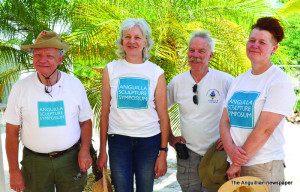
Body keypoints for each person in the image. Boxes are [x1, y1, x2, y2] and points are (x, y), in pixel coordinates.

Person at [4, 31, 94, 192]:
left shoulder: (74, 84)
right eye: (38, 54)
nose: (42, 60)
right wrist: (13, 171)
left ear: (60, 59)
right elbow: (11, 132)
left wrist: (85, 150)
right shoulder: (20, 88)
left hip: (70, 160)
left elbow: (86, 121)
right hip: (35, 163)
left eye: (49, 56)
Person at [219, 17, 297, 192]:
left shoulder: (278, 81)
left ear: (273, 49)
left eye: (262, 42)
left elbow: (265, 129)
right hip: (235, 161)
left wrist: (237, 162)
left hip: (263, 166)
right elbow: (224, 121)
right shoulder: (239, 80)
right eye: (252, 40)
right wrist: (231, 151)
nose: (255, 45)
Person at [96, 18, 169, 192]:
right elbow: (104, 113)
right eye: (127, 37)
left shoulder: (156, 73)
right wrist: (102, 150)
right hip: (118, 142)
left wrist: (163, 152)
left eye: (137, 37)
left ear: (146, 42)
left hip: (149, 142)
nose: (132, 41)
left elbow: (164, 117)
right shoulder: (111, 69)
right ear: (122, 42)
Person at [167, 30, 234, 192]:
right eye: (191, 50)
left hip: (217, 154)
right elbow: (159, 111)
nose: (195, 55)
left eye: (201, 51)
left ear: (210, 56)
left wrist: (230, 136)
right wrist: (170, 137)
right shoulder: (177, 82)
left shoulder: (226, 81)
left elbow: (240, 112)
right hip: (188, 155)